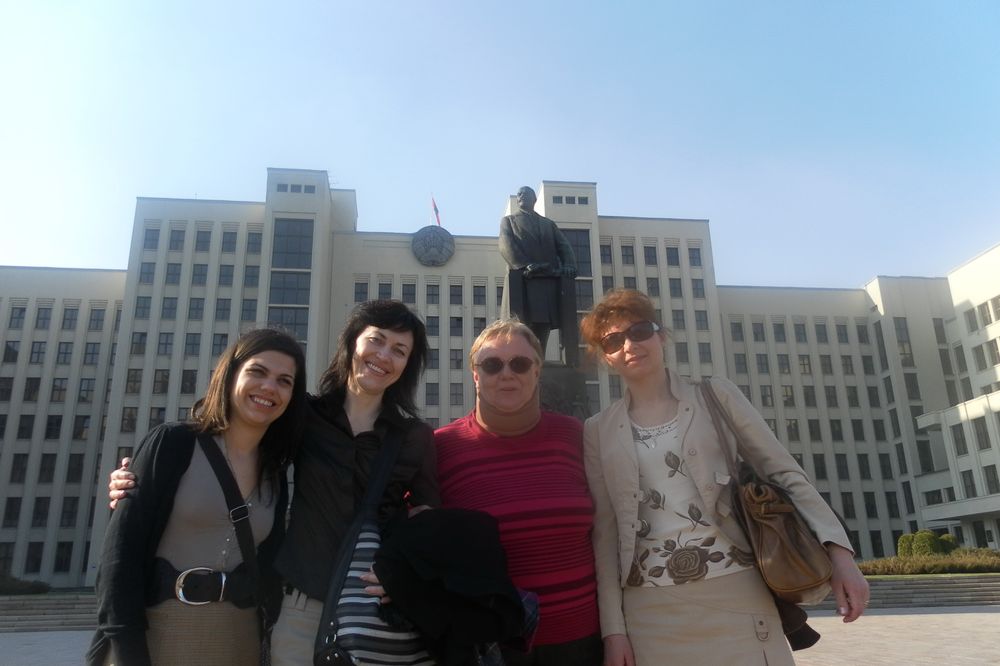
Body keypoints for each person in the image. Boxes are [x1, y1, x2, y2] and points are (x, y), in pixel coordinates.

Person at [108, 301, 439, 665]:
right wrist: (137, 477)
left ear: (408, 365)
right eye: (376, 340)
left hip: (376, 612)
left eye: (399, 350)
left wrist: (403, 573)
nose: (384, 356)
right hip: (301, 608)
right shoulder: (302, 415)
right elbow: (234, 442)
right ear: (352, 343)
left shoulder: (415, 437)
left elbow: (427, 522)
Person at [578, 290, 869, 666]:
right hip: (649, 611)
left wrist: (840, 555)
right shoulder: (598, 430)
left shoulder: (714, 395)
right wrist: (613, 630)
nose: (630, 345)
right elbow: (605, 534)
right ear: (606, 356)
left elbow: (783, 472)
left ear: (661, 335)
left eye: (639, 331)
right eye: (614, 341)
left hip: (738, 593)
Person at [89, 328, 307, 665]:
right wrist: (129, 652)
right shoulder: (174, 443)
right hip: (157, 637)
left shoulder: (274, 473)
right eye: (257, 372)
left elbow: (268, 569)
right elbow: (120, 557)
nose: (269, 387)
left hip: (239, 643)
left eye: (284, 381)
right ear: (230, 375)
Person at [433, 319, 602, 665]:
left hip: (582, 641)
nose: (506, 374)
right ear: (475, 374)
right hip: (492, 646)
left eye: (520, 364)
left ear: (537, 371)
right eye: (492, 365)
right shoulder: (441, 447)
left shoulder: (577, 435)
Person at [499, 186, 578, 360]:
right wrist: (525, 265)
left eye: (525, 193)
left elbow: (564, 246)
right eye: (519, 194)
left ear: (534, 199)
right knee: (520, 326)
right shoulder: (509, 221)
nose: (521, 195)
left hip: (545, 283)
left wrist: (569, 264)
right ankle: (521, 360)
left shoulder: (548, 224)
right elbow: (505, 245)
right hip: (522, 282)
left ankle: (537, 360)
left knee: (543, 324)